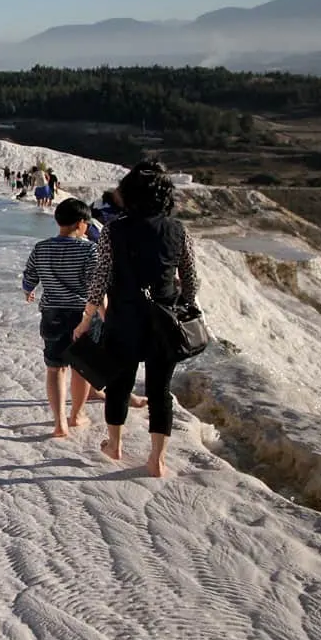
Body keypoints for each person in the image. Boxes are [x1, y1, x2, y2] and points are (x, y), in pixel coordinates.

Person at [75, 160, 200, 478]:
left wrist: (87, 318)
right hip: (164, 320)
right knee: (160, 390)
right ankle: (156, 460)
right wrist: (184, 303)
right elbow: (191, 278)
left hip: (124, 320)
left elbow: (100, 279)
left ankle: (114, 446)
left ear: (130, 194)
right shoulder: (178, 230)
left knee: (119, 385)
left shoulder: (113, 231)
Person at [21, 199, 98, 438]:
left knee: (55, 368)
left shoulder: (41, 247)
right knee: (81, 368)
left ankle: (59, 424)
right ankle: (76, 415)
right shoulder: (89, 249)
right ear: (81, 223)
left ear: (57, 221)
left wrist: (29, 291)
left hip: (52, 313)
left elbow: (28, 278)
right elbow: (96, 286)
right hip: (81, 314)